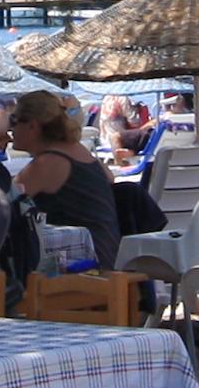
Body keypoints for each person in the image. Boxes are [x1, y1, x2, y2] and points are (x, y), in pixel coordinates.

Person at [6, 91, 123, 266]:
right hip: (107, 254)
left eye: (13, 121)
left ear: (32, 126)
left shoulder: (47, 163)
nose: (10, 129)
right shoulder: (77, 150)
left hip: (81, 265)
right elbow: (110, 178)